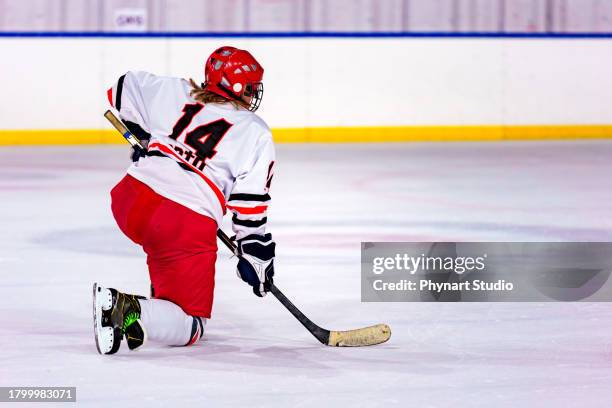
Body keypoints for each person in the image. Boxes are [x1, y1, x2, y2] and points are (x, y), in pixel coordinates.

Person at [93, 46, 276, 355]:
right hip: (180, 222)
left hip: (132, 198)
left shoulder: (176, 91)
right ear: (233, 86)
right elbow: (249, 208)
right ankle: (124, 309)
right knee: (192, 323)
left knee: (165, 254)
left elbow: (121, 89)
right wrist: (258, 258)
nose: (254, 93)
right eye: (249, 87)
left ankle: (162, 299)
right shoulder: (255, 132)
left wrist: (147, 139)